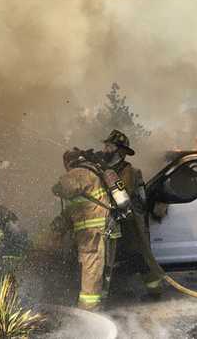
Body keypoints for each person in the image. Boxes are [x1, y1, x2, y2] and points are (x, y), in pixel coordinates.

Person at [101, 129, 163, 298]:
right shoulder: (109, 169)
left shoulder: (127, 171)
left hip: (128, 221)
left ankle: (154, 290)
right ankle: (123, 290)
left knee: (138, 255)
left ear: (120, 151)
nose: (105, 150)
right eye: (105, 146)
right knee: (122, 257)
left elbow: (123, 195)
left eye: (109, 147)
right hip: (115, 220)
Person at [51, 148, 114, 311]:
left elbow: (61, 188)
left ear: (68, 162)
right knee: (99, 270)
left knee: (91, 270)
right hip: (101, 230)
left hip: (92, 233)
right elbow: (77, 206)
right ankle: (99, 306)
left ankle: (89, 310)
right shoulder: (94, 171)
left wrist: (57, 186)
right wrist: (60, 224)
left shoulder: (78, 172)